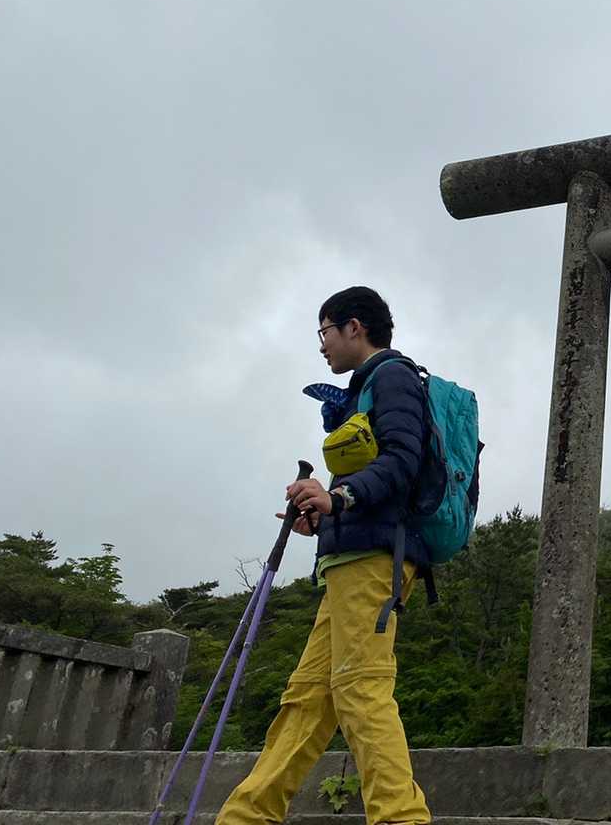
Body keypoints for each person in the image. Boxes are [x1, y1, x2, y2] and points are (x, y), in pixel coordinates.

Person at [216, 286, 432, 825]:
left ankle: (402, 819)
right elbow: (373, 480)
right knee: (308, 698)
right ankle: (246, 816)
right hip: (349, 561)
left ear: (354, 326)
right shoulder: (364, 390)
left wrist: (339, 497)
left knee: (361, 688)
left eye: (325, 331)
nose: (321, 346)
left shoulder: (393, 377)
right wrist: (324, 515)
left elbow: (402, 462)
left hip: (375, 562)